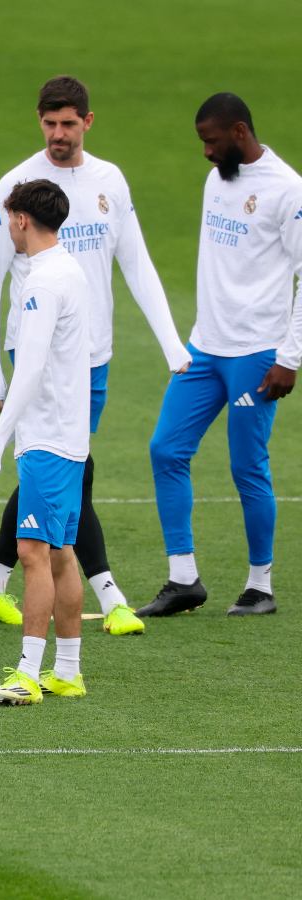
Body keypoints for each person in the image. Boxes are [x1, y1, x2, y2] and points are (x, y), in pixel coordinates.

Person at [0, 76, 192, 636]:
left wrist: (172, 343)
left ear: (87, 122)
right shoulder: (16, 184)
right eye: (49, 123)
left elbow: (137, 264)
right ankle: (109, 594)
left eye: (68, 124)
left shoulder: (109, 181)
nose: (58, 134)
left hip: (94, 355)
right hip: (36, 353)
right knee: (73, 468)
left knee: (63, 468)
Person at [140, 93, 302, 618]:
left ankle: (260, 586)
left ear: (239, 132)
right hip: (205, 347)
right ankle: (183, 578)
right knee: (166, 449)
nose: (206, 152)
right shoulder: (217, 180)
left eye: (211, 141)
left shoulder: (288, 190)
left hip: (257, 353)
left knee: (246, 466)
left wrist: (290, 358)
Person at [0, 180, 91, 705]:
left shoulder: (41, 282)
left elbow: (30, 367)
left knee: (32, 552)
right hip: (69, 434)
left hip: (46, 437)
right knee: (62, 552)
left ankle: (27, 673)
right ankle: (66, 671)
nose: (8, 229)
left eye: (8, 219)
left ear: (22, 219)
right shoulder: (70, 269)